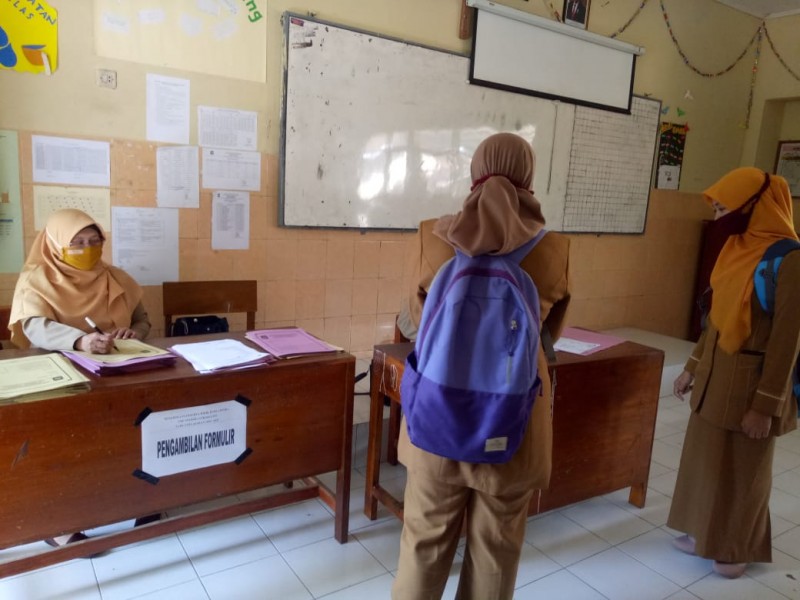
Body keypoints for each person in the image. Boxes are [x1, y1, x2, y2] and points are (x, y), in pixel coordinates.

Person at [393, 132, 571, 599]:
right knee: (496, 549)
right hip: (512, 423)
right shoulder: (554, 249)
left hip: (436, 418)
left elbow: (415, 323)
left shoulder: (433, 235)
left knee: (423, 544)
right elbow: (549, 337)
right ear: (528, 177)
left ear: (475, 172)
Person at [668, 167, 800, 579]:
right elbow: (717, 319)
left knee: (743, 470)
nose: (718, 217)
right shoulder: (735, 248)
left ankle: (735, 547)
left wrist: (765, 406)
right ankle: (702, 532)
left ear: (755, 206)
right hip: (715, 376)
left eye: (725, 209)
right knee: (705, 460)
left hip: (751, 384)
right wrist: (692, 367)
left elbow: (788, 341)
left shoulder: (790, 260)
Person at [8, 207, 153, 552]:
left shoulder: (115, 276)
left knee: (131, 430)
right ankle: (58, 524)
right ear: (56, 243)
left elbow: (143, 319)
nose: (88, 249)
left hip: (114, 368)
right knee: (61, 443)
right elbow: (33, 326)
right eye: (77, 242)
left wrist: (133, 332)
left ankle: (139, 501)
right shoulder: (37, 278)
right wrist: (80, 341)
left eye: (94, 241)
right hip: (58, 370)